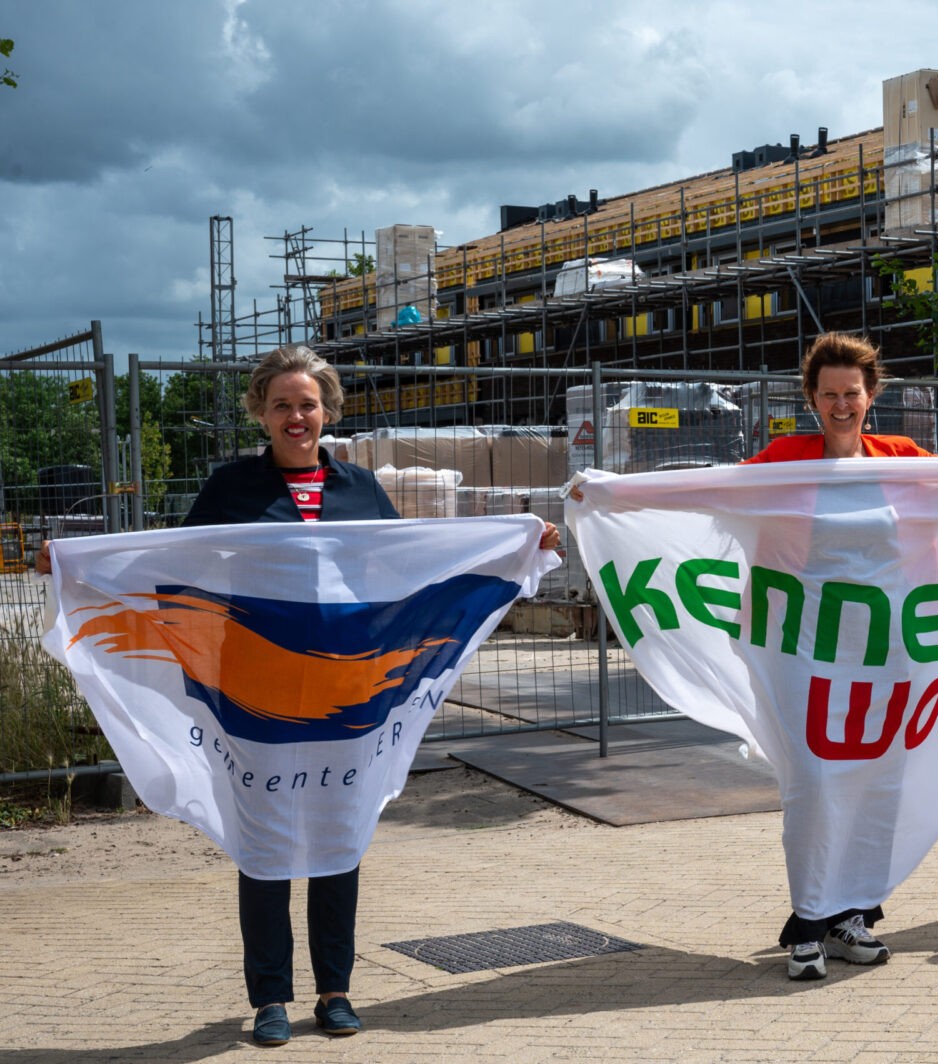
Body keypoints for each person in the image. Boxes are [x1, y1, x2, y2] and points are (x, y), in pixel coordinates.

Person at [38, 345, 559, 1043]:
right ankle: (270, 999)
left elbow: (412, 572)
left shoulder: (360, 491)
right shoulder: (231, 491)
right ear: (260, 411)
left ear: (327, 411)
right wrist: (76, 564)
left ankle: (335, 992)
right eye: (281, 404)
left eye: (307, 404)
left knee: (339, 839)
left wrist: (519, 546)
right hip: (253, 697)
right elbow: (170, 568)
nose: (296, 416)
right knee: (266, 847)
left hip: (347, 695)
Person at [743, 332, 934, 979]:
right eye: (829, 396)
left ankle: (852, 916)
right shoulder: (785, 460)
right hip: (807, 645)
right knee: (817, 781)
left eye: (851, 393)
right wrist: (603, 496)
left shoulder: (902, 457)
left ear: (871, 394)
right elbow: (705, 496)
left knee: (880, 780)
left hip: (885, 649)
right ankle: (808, 923)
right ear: (812, 399)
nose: (841, 405)